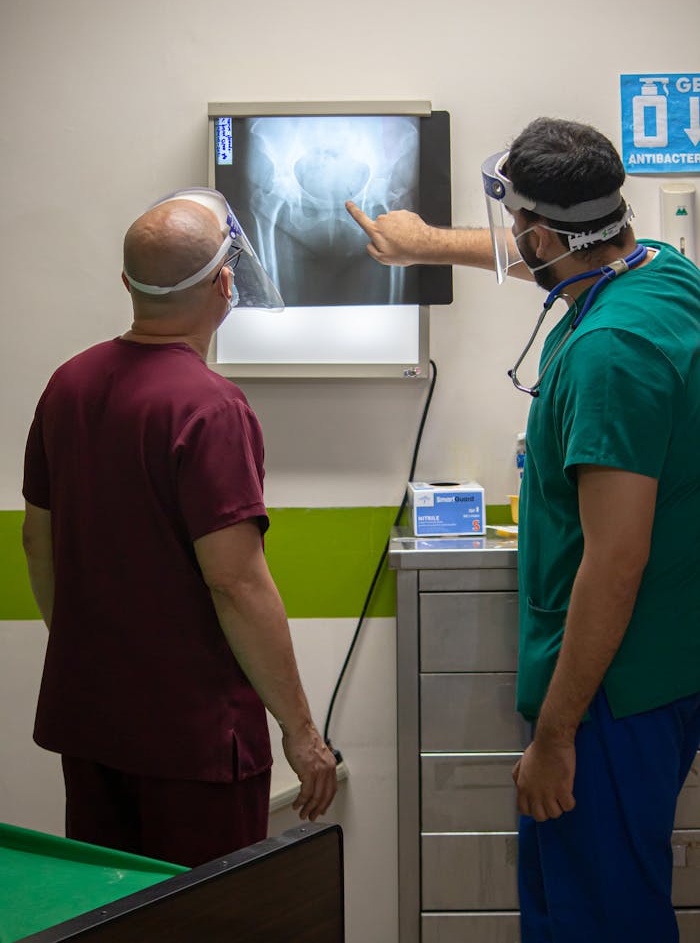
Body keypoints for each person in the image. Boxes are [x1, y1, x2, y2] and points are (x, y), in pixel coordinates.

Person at [347, 118, 700, 942]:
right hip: (660, 671)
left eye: (516, 231)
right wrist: (428, 243)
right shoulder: (664, 275)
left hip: (611, 694)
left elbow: (615, 562)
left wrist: (555, 734)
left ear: (541, 233)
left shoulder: (610, 353)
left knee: (598, 918)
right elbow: (554, 252)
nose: (511, 242)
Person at [22, 187, 337, 868]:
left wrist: (101, 658)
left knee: (114, 918)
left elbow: (36, 540)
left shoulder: (67, 385)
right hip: (195, 742)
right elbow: (236, 585)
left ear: (127, 284)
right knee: (205, 921)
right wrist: (302, 732)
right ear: (227, 282)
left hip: (93, 723)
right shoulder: (211, 408)